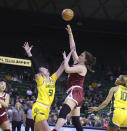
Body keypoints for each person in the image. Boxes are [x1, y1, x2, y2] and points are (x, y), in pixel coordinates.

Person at [52, 25, 96, 131]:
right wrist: (70, 34)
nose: (79, 55)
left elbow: (67, 69)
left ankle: (54, 130)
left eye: (81, 55)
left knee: (63, 112)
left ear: (85, 60)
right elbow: (73, 49)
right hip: (77, 93)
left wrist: (65, 60)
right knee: (76, 120)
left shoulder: (82, 67)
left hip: (75, 91)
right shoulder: (77, 62)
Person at [23, 42, 73, 131]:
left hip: (46, 110)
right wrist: (29, 54)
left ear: (47, 71)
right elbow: (35, 67)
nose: (41, 67)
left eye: (43, 67)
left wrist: (70, 54)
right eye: (40, 67)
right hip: (39, 108)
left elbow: (62, 66)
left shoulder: (52, 79)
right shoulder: (40, 79)